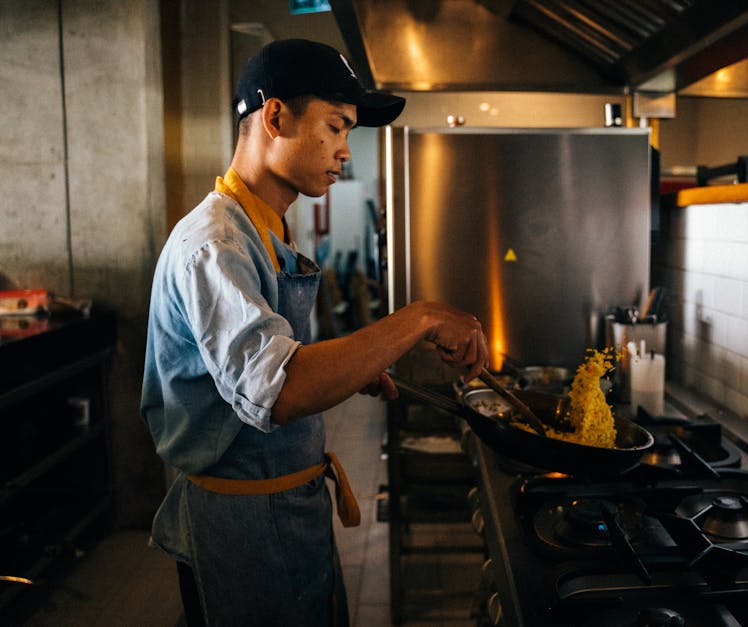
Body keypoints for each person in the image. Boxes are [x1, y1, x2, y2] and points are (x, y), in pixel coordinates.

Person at [141, 39, 489, 626]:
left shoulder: (263, 224)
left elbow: (275, 357)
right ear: (275, 117)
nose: (344, 152)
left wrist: (349, 370)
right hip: (242, 528)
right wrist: (420, 316)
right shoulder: (215, 244)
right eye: (336, 127)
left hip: (284, 509)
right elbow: (279, 389)